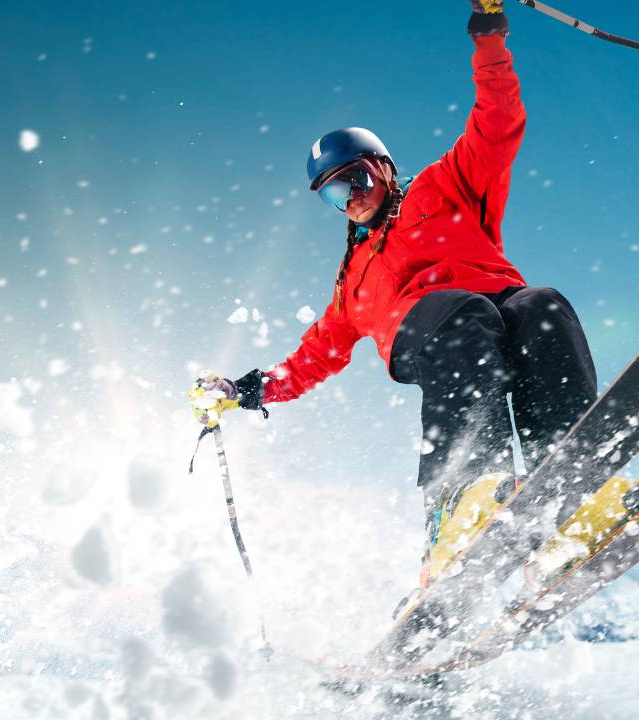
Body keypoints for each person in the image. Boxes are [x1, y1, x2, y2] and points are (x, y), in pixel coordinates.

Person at [200, 0, 598, 587]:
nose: (351, 199)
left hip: (500, 313)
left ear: (382, 167)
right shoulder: (353, 280)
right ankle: (462, 499)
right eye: (334, 196)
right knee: (462, 313)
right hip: (433, 334)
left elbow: (497, 123)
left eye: (356, 180)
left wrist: (490, 37)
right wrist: (245, 388)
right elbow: (313, 358)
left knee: (540, 305)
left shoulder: (446, 186)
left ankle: (567, 485)